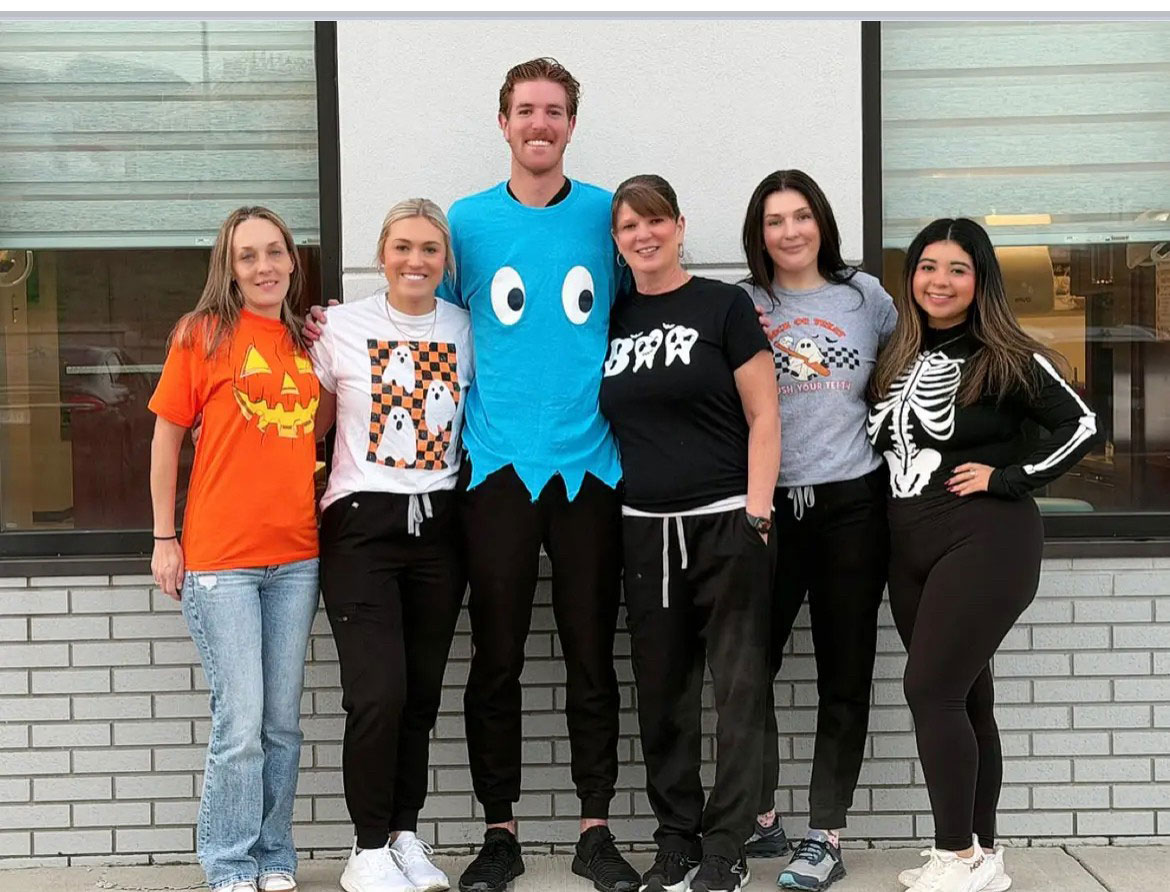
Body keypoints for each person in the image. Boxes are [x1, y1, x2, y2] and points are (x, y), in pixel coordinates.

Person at [304, 59, 639, 892]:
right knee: (496, 658)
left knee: (593, 655)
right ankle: (501, 828)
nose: (540, 123)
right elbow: (424, 321)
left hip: (592, 466)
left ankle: (595, 826)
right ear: (502, 123)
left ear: (570, 124)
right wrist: (320, 327)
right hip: (489, 473)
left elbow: (641, 308)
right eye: (525, 110)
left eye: (554, 111)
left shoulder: (606, 215)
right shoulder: (465, 224)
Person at [866, 218, 1098, 892]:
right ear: (911, 277)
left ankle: (956, 856)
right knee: (966, 698)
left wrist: (1008, 477)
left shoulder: (1007, 355)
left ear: (981, 280)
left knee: (929, 689)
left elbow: (1080, 424)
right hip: (910, 544)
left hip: (986, 539)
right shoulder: (896, 355)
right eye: (927, 266)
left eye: (957, 269)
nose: (939, 281)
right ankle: (983, 854)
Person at [599, 174, 780, 892]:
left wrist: (757, 513)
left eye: (654, 222)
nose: (643, 236)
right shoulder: (609, 317)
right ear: (616, 241)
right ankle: (674, 839)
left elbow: (765, 414)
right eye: (627, 228)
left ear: (678, 224)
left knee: (738, 695)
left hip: (727, 521)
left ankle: (725, 846)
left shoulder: (722, 305)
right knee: (664, 694)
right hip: (645, 532)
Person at [148, 207, 321, 892]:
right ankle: (228, 861)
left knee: (282, 724)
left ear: (291, 260)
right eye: (247, 256)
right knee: (241, 723)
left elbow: (322, 432)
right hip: (220, 561)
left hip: (297, 558)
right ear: (229, 266)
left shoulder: (307, 341)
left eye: (274, 252)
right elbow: (166, 439)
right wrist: (165, 537)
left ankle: (275, 857)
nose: (263, 267)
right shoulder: (202, 336)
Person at [738, 170, 896, 891]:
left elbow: (908, 370)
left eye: (802, 216)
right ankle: (761, 814)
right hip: (767, 509)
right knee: (746, 669)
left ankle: (824, 834)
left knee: (845, 673)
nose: (791, 231)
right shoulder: (743, 304)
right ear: (759, 233)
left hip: (851, 506)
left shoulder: (867, 298)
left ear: (822, 223)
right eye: (775, 220)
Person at [309, 199, 474, 892]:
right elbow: (304, 426)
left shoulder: (466, 328)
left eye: (430, 249)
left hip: (440, 528)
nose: (416, 260)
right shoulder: (340, 328)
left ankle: (404, 834)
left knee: (419, 696)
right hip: (360, 528)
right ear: (381, 253)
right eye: (403, 246)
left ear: (446, 261)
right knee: (376, 693)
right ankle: (366, 848)